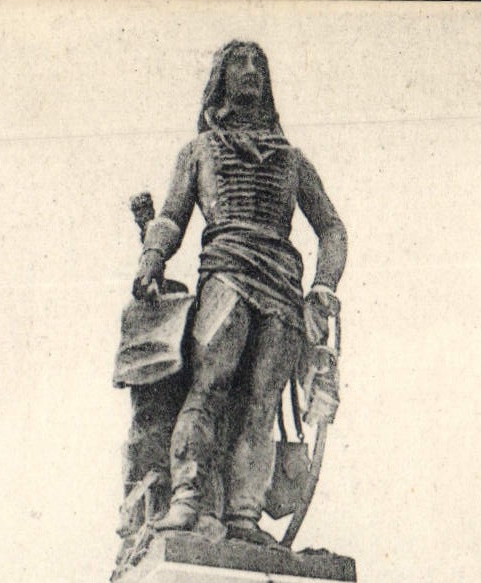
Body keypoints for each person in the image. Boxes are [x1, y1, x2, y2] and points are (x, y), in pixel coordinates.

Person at [132, 41, 347, 538]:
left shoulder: (293, 161)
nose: (250, 70)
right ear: (220, 77)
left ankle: (245, 515)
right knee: (209, 386)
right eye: (239, 62)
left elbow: (332, 228)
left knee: (262, 403)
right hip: (226, 269)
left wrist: (323, 287)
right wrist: (151, 257)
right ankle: (187, 499)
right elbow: (171, 216)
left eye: (259, 63)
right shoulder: (200, 150)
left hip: (282, 284)